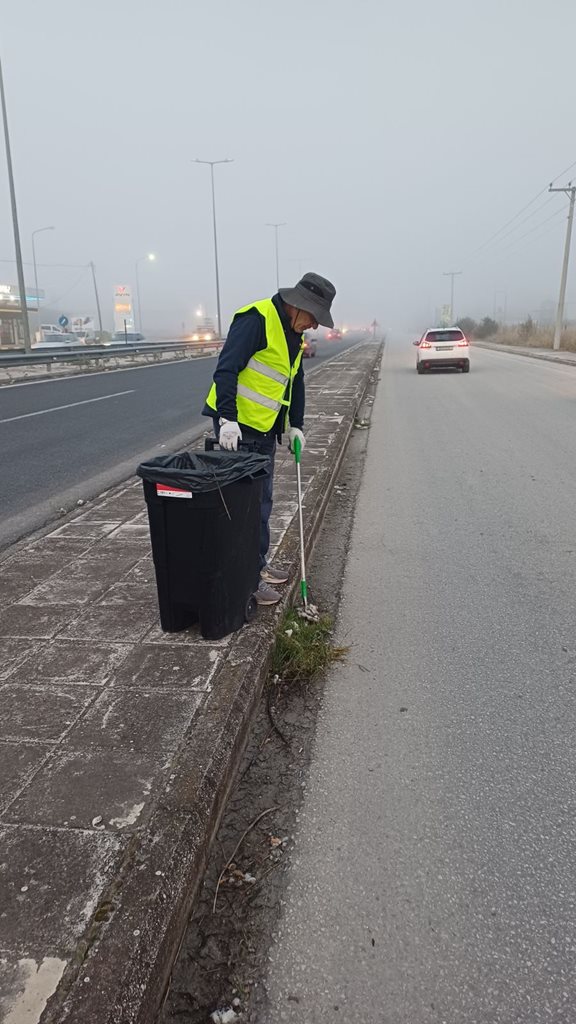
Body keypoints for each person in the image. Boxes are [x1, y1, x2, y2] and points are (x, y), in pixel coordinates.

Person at [203, 272, 336, 605]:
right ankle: (245, 582)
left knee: (262, 503)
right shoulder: (257, 319)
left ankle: (257, 566)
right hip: (238, 430)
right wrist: (227, 418)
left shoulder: (293, 334)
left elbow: (295, 380)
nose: (314, 325)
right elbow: (226, 369)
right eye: (314, 317)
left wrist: (297, 425)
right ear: (297, 305)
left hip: (264, 430)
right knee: (243, 509)